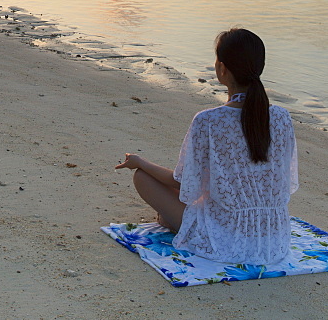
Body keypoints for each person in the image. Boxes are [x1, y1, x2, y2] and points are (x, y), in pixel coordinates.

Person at [115, 28, 298, 264]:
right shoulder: (282, 117)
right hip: (273, 239)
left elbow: (183, 183)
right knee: (192, 201)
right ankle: (173, 220)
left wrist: (141, 162)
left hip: (226, 237)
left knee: (142, 177)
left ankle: (173, 221)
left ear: (222, 68)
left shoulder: (209, 120)